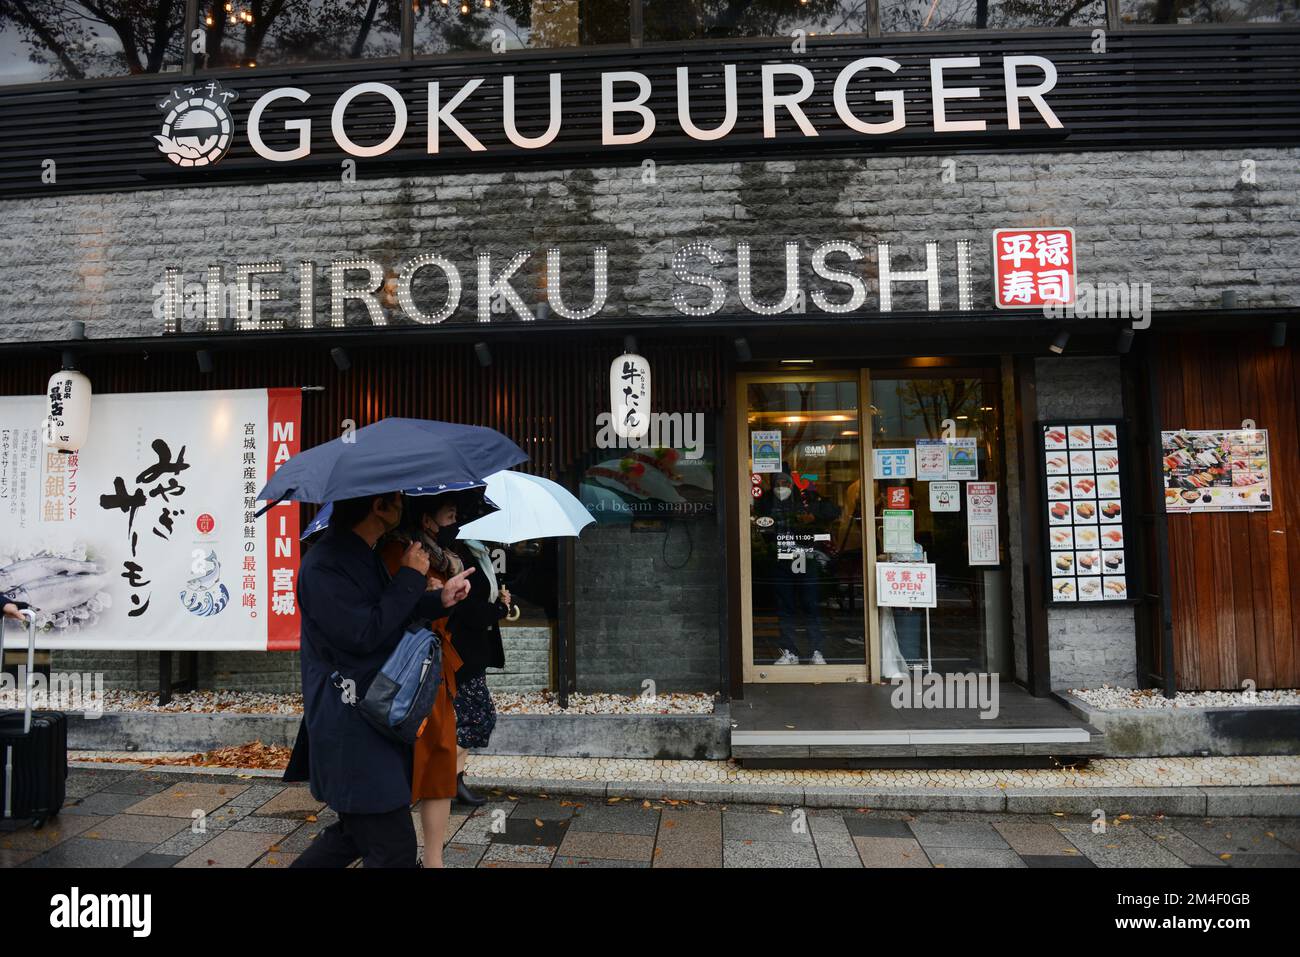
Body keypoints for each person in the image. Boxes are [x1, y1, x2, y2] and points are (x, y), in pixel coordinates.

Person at [286, 490, 473, 869]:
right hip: (350, 723)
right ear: (378, 506)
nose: (404, 507)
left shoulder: (360, 551)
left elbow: (387, 612)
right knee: (394, 849)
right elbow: (363, 633)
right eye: (397, 499)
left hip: (371, 718)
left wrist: (440, 600)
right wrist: (409, 576)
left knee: (354, 836)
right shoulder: (325, 565)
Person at [381, 493, 467, 868]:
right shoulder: (397, 552)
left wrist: (448, 593)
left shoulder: (445, 558)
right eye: (448, 511)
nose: (455, 518)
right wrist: (419, 587)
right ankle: (393, 851)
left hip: (438, 670)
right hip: (407, 674)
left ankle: (434, 860)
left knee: (439, 761)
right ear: (426, 519)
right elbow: (389, 614)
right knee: (405, 763)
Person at [447, 527, 512, 806]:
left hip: (476, 651)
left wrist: (499, 601)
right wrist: (499, 610)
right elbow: (465, 609)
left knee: (472, 719)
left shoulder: (479, 551)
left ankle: (454, 782)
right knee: (478, 719)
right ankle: (441, 773)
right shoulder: (458, 556)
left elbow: (480, 599)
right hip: (461, 652)